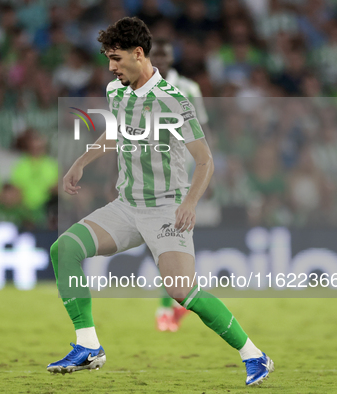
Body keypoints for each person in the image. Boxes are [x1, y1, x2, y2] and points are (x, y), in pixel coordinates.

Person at [47, 17, 274, 386]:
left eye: (117, 58)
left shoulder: (173, 101)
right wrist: (80, 162)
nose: (111, 67)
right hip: (126, 206)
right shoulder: (116, 92)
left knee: (182, 291)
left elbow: (205, 160)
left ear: (139, 54)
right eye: (108, 58)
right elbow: (115, 131)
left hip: (166, 209)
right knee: (65, 249)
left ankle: (255, 356)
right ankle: (88, 345)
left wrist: (189, 203)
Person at [149, 37, 209, 332]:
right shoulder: (135, 87)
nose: (160, 60)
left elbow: (203, 132)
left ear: (171, 58)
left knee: (169, 241)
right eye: (155, 55)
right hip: (152, 178)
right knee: (167, 242)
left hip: (182, 179)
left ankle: (167, 308)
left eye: (164, 55)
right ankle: (178, 304)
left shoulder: (189, 89)